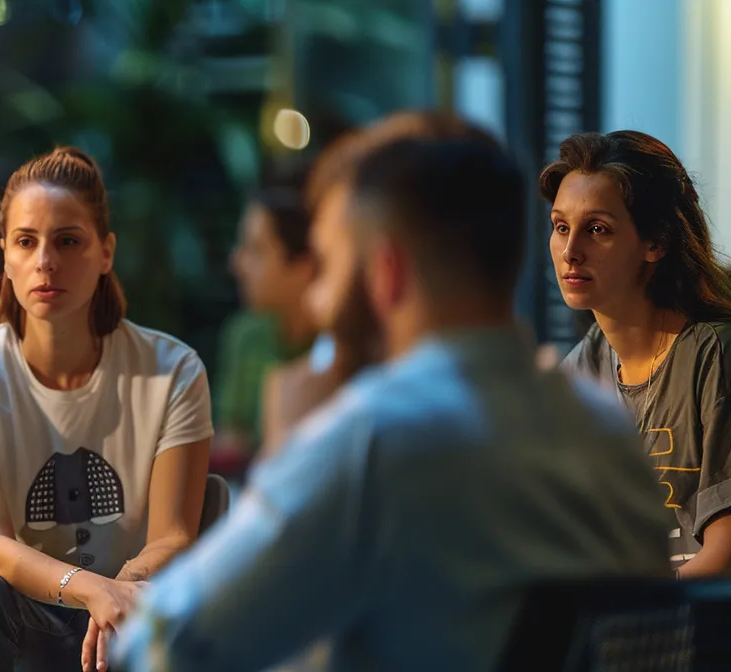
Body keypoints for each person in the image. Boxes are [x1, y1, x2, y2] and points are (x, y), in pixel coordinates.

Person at [113, 112, 672, 671]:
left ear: (387, 272)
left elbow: (156, 650)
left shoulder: (373, 441)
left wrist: (292, 451)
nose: (317, 301)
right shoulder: (607, 432)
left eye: (330, 266)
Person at [0, 147, 214, 672]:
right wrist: (90, 591)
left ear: (106, 252)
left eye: (68, 241)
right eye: (27, 242)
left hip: (122, 616)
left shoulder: (172, 371)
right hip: (3, 619)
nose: (45, 262)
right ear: (5, 256)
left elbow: (174, 536)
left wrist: (118, 595)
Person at [550, 131, 731, 576]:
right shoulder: (578, 373)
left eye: (597, 229)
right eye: (560, 227)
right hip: (626, 629)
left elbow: (724, 558)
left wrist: (623, 610)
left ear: (656, 242)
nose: (571, 251)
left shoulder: (713, 354)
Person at [217, 165, 317, 467]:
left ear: (303, 264)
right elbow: (230, 438)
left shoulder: (338, 345)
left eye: (256, 250)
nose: (237, 262)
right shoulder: (245, 335)